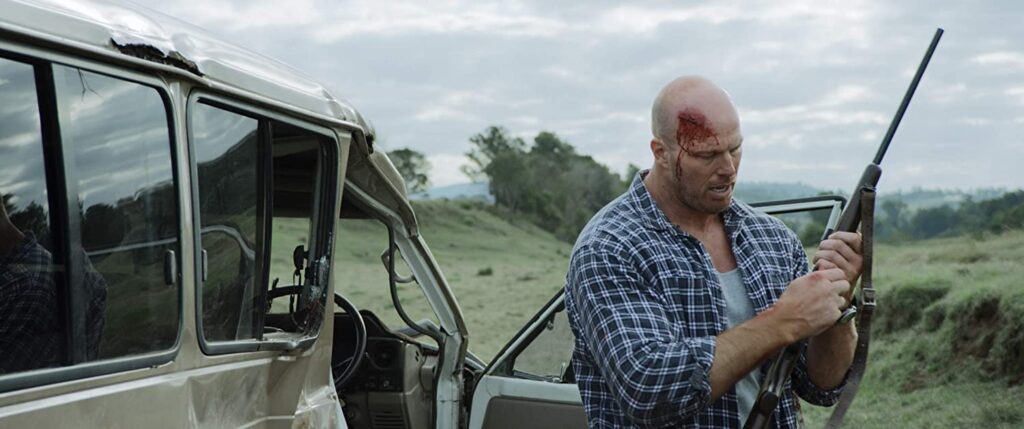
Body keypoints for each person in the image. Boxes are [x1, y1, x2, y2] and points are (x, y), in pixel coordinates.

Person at [564, 76, 861, 428]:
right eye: (707, 155)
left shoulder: (773, 239)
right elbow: (648, 390)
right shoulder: (610, 246)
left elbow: (821, 386)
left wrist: (836, 301)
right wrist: (783, 321)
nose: (728, 169)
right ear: (661, 152)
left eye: (735, 149)